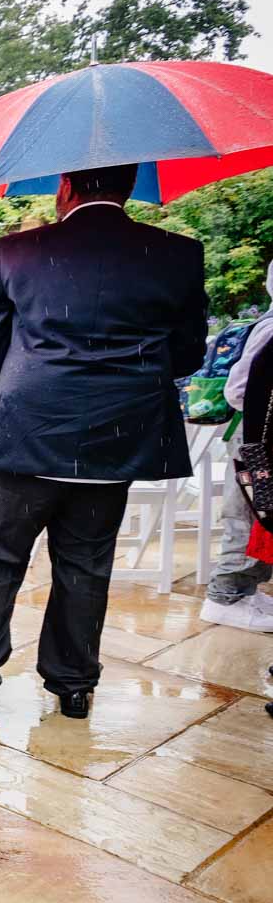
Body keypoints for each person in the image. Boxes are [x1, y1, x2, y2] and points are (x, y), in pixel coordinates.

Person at [0, 163, 209, 719]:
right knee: (86, 564)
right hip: (116, 441)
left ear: (63, 187)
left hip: (24, 433)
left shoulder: (15, 251)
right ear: (130, 187)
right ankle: (74, 685)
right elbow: (187, 355)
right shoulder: (177, 254)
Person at [201, 262, 273, 632]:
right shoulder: (271, 329)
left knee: (261, 516)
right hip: (258, 439)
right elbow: (238, 389)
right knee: (250, 514)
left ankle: (243, 589)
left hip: (257, 435)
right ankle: (225, 597)